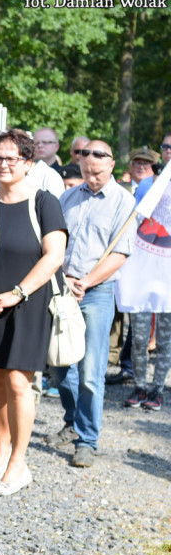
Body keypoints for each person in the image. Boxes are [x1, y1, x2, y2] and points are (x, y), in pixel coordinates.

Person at [0, 129, 67, 495]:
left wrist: (18, 293)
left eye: (11, 158)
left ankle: (19, 462)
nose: (3, 164)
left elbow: (54, 256)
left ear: (29, 163)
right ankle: (1, 449)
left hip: (29, 300)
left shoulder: (44, 202)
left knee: (18, 381)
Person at [46, 140, 135, 467]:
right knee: (58, 364)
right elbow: (54, 243)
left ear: (111, 165)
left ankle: (87, 440)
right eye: (86, 172)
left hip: (97, 292)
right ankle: (74, 419)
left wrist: (87, 282)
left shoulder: (124, 202)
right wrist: (64, 278)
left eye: (97, 173)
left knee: (90, 370)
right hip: (63, 287)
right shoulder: (68, 197)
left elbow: (120, 254)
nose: (91, 177)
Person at [117, 175, 171, 412]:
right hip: (141, 277)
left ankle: (157, 390)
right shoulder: (145, 192)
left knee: (165, 341)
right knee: (139, 339)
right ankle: (139, 387)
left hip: (166, 280)